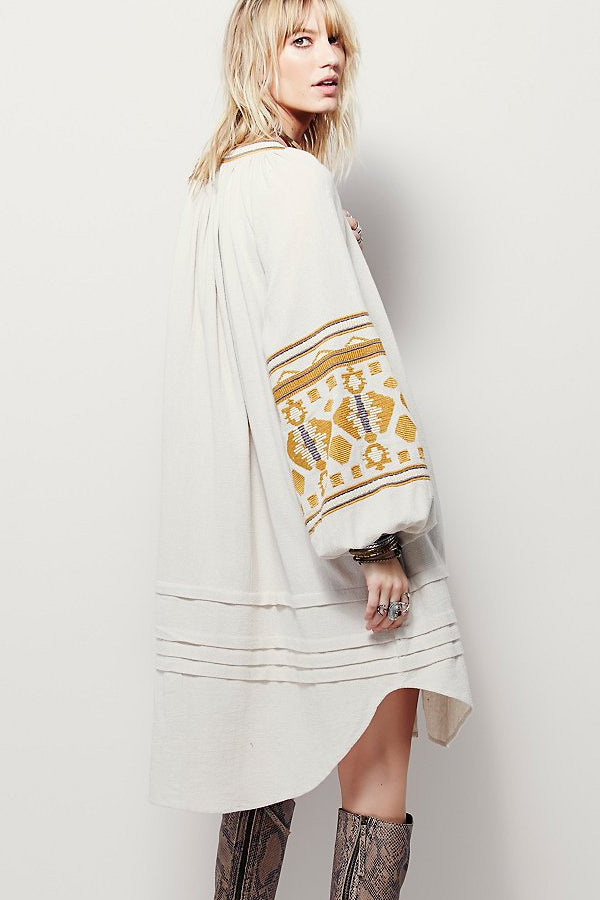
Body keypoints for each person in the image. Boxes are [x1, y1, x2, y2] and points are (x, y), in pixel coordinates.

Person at [148, 1, 474, 897]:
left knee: (263, 765)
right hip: (334, 540)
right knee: (377, 779)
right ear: (257, 59)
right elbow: (323, 363)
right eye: (300, 39)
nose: (327, 56)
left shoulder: (218, 188)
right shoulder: (293, 183)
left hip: (254, 540)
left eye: (334, 39)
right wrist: (378, 540)